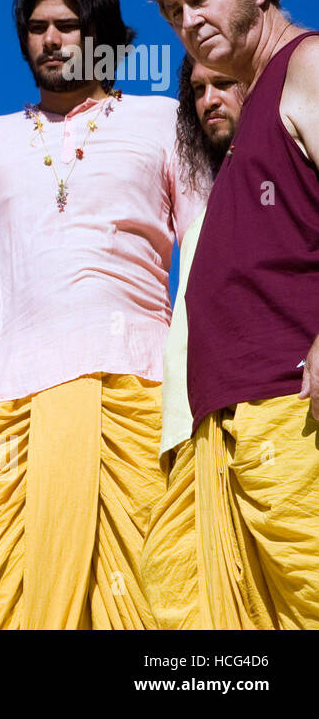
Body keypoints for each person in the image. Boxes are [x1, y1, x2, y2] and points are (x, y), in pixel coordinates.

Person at [0, 0, 203, 629]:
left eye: (68, 26)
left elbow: (203, 250)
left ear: (105, 36)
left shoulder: (165, 120)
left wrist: (210, 371)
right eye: (36, 28)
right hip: (11, 399)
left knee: (142, 588)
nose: (51, 40)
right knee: (12, 597)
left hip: (137, 389)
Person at [149, 0, 319, 627]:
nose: (188, 22)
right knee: (184, 614)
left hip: (288, 400)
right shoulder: (252, 106)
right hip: (221, 419)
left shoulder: (306, 64)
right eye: (173, 13)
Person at [140, 53, 246, 629]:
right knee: (175, 588)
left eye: (224, 84)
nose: (209, 100)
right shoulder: (204, 190)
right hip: (190, 424)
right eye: (198, 89)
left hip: (273, 411)